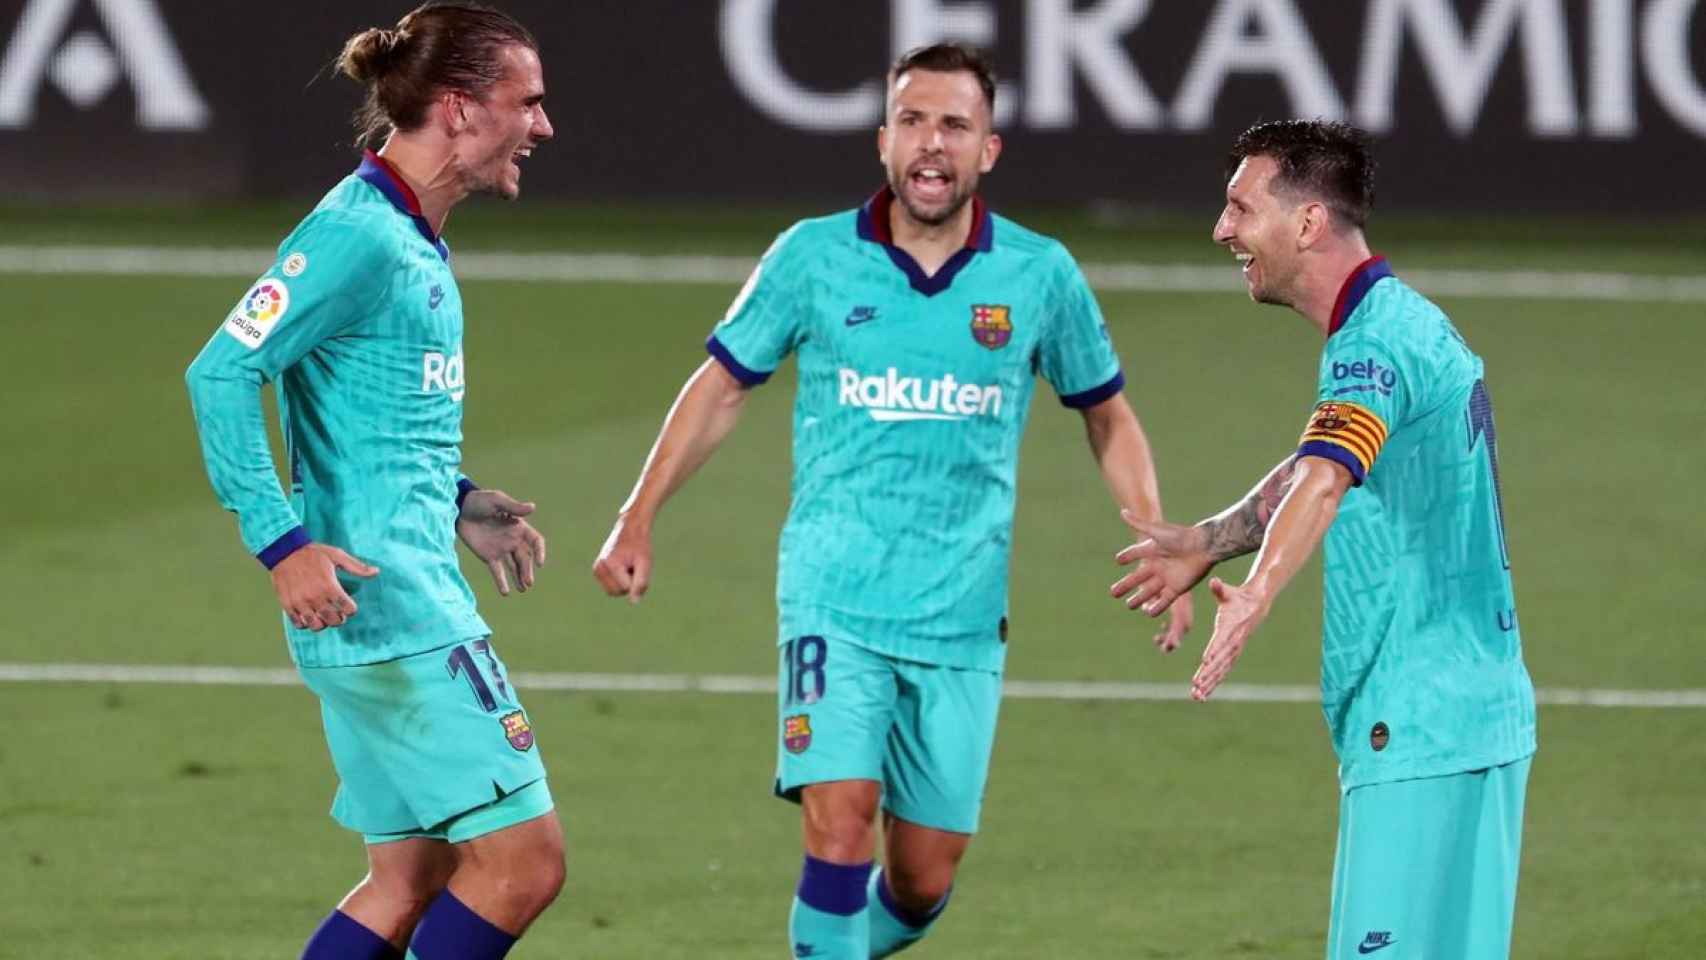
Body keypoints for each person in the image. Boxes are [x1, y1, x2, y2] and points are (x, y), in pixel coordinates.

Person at [592, 41, 1190, 959]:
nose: (931, 142)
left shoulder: (1038, 274)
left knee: (923, 878)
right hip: (834, 598)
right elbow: (720, 386)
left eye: (955, 123)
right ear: (882, 140)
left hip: (960, 612)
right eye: (913, 120)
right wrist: (639, 514)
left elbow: (1107, 416)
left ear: (988, 149)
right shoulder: (811, 257)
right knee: (840, 821)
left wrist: (1162, 538)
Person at [183, 5, 561, 958]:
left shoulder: (408, 230)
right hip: (400, 618)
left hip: (383, 600)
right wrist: (282, 544)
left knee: (409, 878)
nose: (543, 127)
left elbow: (371, 411)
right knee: (523, 863)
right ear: (463, 110)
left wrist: (455, 496)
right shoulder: (358, 236)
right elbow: (221, 371)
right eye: (529, 102)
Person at [1111, 119, 1536, 958]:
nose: (1221, 229)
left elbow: (1327, 475)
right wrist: (1209, 538)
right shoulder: (1405, 322)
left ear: (1306, 223)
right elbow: (1327, 456)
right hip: (1481, 716)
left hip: (1415, 727)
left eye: (1239, 207)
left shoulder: (1370, 342)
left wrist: (1257, 595)